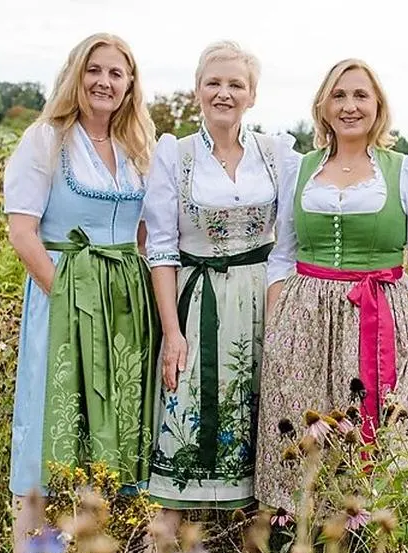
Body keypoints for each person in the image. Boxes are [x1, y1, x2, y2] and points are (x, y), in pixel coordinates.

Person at [2, 32, 157, 553]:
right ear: (77, 74)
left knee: (115, 429)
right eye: (95, 70)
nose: (105, 82)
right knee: (46, 428)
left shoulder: (135, 147)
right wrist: (65, 297)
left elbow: (144, 233)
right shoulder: (47, 140)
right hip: (64, 296)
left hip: (124, 306)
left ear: (130, 85)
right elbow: (23, 231)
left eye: (118, 74)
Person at [254, 58, 408, 517]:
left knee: (377, 432)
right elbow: (282, 251)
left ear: (378, 105)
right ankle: (303, 550)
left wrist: (402, 319)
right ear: (323, 106)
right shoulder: (300, 170)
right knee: (302, 427)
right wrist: (282, 319)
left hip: (378, 316)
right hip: (303, 320)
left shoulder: (406, 170)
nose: (349, 105)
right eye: (339, 95)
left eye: (360, 95)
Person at [142, 41, 299, 510]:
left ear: (252, 95)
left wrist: (279, 322)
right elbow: (162, 246)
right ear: (197, 92)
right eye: (214, 83)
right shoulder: (175, 154)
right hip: (197, 299)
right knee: (187, 404)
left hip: (260, 298)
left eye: (236, 84)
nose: (224, 93)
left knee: (259, 412)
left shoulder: (278, 154)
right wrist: (172, 331)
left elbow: (287, 247)